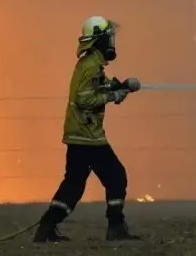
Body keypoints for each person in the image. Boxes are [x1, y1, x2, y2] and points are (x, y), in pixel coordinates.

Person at [33, 16, 142, 243]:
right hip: (88, 135)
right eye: (108, 37)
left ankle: (47, 227)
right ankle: (116, 227)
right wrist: (114, 96)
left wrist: (121, 85)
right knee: (116, 177)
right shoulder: (91, 65)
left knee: (73, 183)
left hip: (78, 134)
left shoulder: (91, 63)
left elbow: (98, 85)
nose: (112, 42)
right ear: (99, 40)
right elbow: (85, 98)